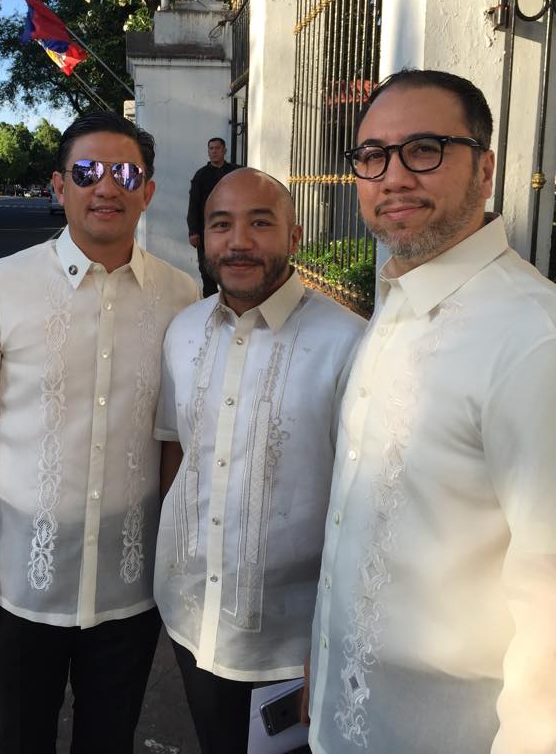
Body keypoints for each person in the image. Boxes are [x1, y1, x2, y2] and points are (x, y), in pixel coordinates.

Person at [307, 69, 556, 754]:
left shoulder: (533, 338)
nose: (393, 177)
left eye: (424, 148)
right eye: (372, 156)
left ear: (486, 169)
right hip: (346, 718)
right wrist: (323, 665)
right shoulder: (397, 306)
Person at [0, 110, 199, 754]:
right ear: (60, 186)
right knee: (21, 737)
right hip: (23, 580)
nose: (105, 186)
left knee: (110, 740)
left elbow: (177, 434)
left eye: (125, 172)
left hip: (129, 584)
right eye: (87, 171)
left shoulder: (181, 295)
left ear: (148, 190)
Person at [155, 168, 365, 754]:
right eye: (222, 225)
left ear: (294, 237)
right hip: (192, 618)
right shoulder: (182, 330)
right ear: (202, 238)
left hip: (291, 641)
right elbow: (176, 448)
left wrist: (332, 644)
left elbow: (365, 507)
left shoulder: (348, 344)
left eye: (260, 223)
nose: (239, 241)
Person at [187, 137, 238, 296]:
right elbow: (193, 204)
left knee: (231, 265)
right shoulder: (201, 175)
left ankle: (233, 303)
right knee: (207, 270)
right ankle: (210, 307)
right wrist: (193, 231)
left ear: (224, 150)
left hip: (232, 229)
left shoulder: (235, 172)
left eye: (217, 148)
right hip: (206, 231)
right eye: (211, 149)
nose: (214, 152)